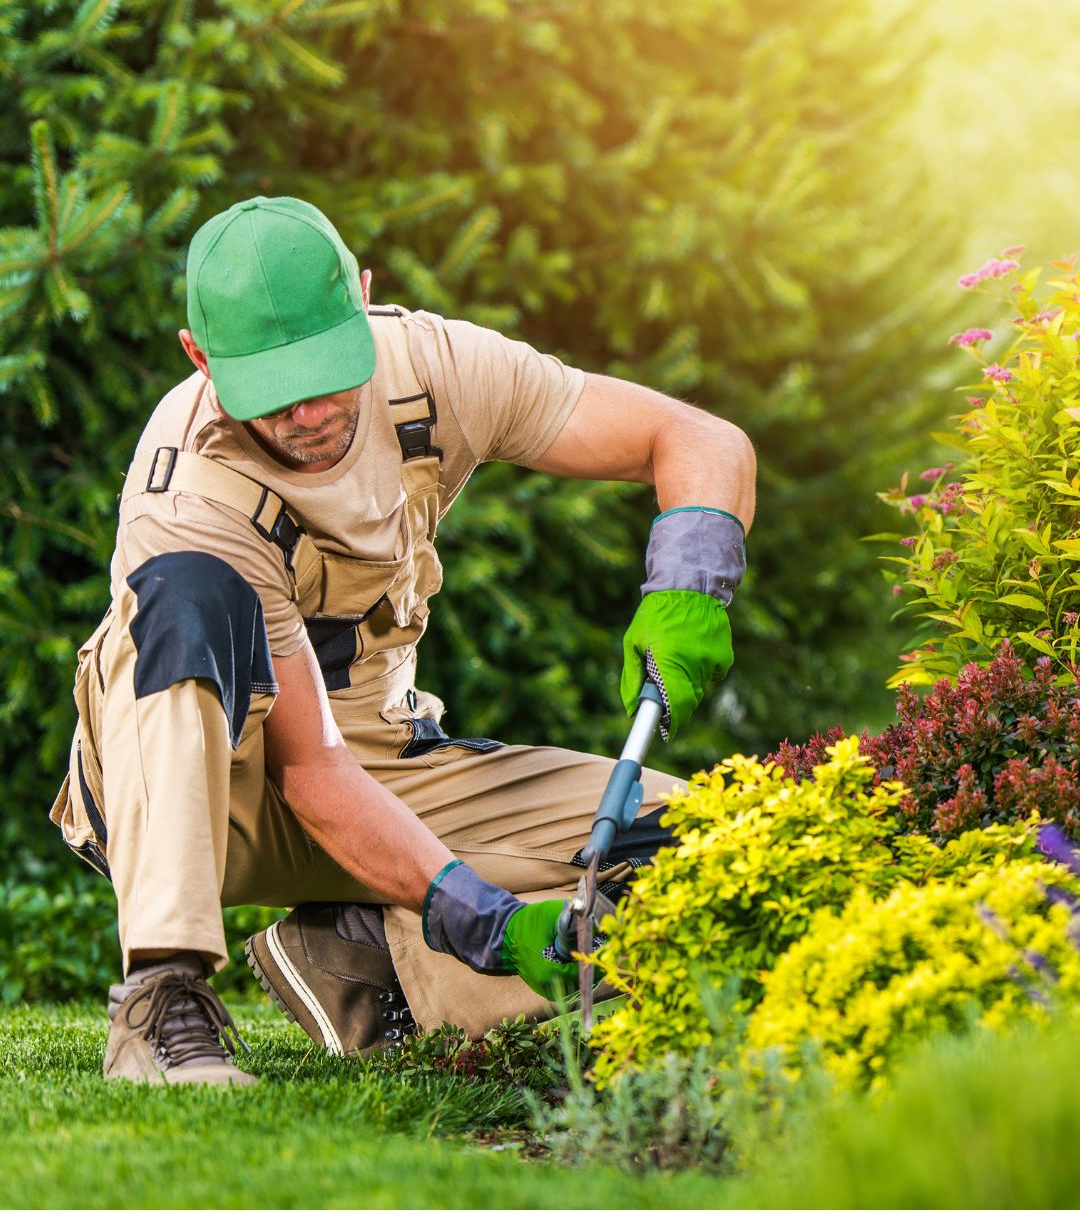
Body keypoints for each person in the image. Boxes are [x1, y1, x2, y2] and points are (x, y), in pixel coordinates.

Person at [48, 196, 754, 1086]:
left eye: (325, 371)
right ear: (200, 358)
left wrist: (689, 587)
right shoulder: (189, 492)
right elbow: (308, 771)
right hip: (215, 792)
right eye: (273, 390)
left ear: (364, 298)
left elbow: (694, 437)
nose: (309, 411)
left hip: (382, 762)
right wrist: (482, 916)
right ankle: (163, 999)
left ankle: (368, 961)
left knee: (703, 843)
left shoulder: (435, 369)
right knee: (184, 598)